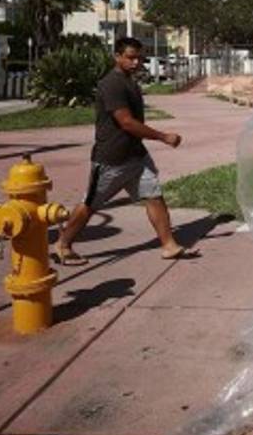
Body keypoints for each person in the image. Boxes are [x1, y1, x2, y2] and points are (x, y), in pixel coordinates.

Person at [55, 36, 197, 264]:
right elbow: (126, 122)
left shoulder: (129, 81)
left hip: (136, 155)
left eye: (139, 58)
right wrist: (163, 137)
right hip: (112, 159)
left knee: (154, 196)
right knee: (90, 204)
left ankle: (169, 245)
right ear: (117, 56)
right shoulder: (111, 83)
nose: (136, 62)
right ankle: (63, 244)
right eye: (130, 58)